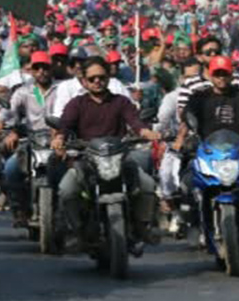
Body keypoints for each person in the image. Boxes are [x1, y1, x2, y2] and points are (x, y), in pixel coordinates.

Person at [52, 56, 161, 248]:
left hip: (119, 157)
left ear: (108, 78)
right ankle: (76, 230)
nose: (97, 82)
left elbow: (135, 122)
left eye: (101, 77)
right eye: (92, 78)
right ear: (84, 81)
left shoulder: (121, 102)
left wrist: (146, 132)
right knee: (66, 189)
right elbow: (65, 124)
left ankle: (143, 226)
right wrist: (59, 138)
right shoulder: (76, 104)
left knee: (147, 183)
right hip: (86, 159)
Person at [0, 51, 60, 225]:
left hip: (58, 140)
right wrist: (3, 123)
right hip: (32, 140)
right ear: (31, 71)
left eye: (45, 67)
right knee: (11, 169)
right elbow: (9, 111)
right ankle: (19, 209)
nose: (41, 71)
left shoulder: (61, 89)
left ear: (51, 69)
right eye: (37, 68)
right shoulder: (23, 92)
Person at [182, 56, 239, 141]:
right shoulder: (199, 97)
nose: (221, 77)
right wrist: (180, 141)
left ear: (231, 75)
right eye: (217, 74)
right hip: (207, 148)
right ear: (211, 76)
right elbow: (187, 117)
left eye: (225, 73)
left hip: (238, 148)